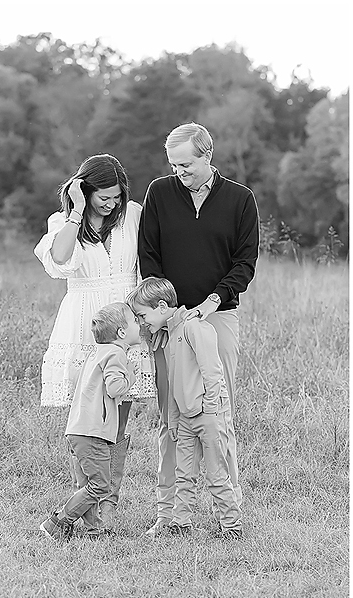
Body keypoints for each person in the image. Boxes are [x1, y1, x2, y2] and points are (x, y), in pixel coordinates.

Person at [138, 122, 258, 537]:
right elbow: (148, 255)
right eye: (173, 165)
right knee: (171, 420)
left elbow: (244, 264)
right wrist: (166, 312)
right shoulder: (159, 192)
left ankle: (229, 515)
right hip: (169, 321)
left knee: (216, 416)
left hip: (217, 318)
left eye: (185, 165)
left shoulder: (242, 200)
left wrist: (210, 303)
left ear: (207, 155)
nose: (178, 173)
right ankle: (170, 515)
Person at [130, 277, 244, 539]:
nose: (141, 322)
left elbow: (212, 370)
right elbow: (172, 383)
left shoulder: (194, 327)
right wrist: (172, 420)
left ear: (161, 306)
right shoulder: (169, 336)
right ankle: (181, 523)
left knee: (217, 473)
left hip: (208, 414)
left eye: (142, 315)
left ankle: (231, 525)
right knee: (184, 474)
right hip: (185, 419)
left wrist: (212, 409)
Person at [35, 154, 142, 409]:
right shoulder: (63, 221)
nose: (112, 205)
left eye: (117, 198)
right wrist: (77, 211)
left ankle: (117, 451)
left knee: (121, 398)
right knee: (87, 408)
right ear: (85, 191)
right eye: (103, 198)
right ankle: (90, 451)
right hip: (85, 318)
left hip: (124, 315)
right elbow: (60, 258)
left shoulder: (133, 214)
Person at [40, 302, 141, 540]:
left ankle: (96, 530)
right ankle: (58, 521)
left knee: (85, 484)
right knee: (100, 486)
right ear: (122, 333)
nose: (140, 324)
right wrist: (131, 375)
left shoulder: (96, 352)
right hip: (94, 432)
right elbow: (115, 388)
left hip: (77, 429)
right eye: (135, 321)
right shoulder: (116, 354)